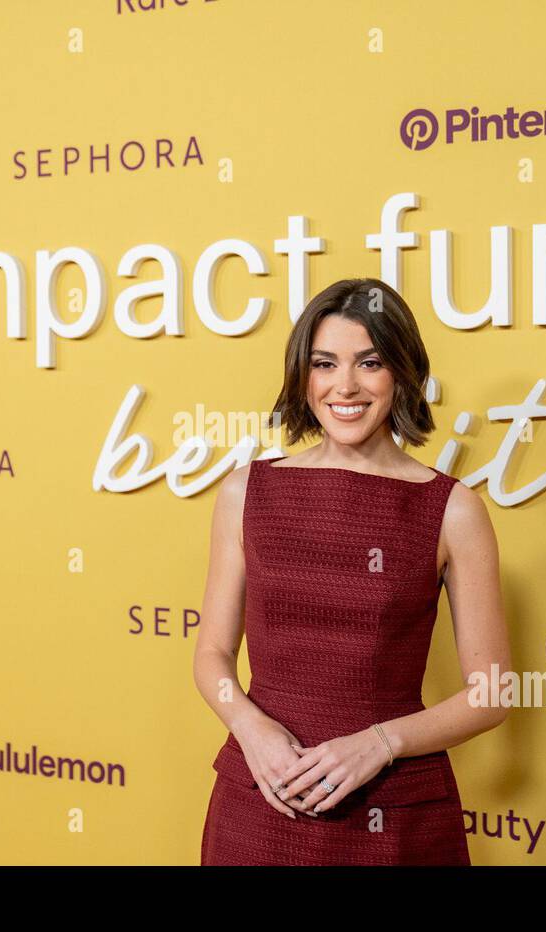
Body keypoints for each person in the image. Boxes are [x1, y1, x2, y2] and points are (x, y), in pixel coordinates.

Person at [193, 277, 511, 865]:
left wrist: (379, 744)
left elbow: (491, 694)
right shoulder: (246, 492)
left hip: (393, 813)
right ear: (302, 375)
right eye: (324, 363)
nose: (345, 386)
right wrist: (251, 729)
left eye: (370, 362)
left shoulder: (453, 509)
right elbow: (212, 654)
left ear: (402, 373)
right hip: (263, 796)